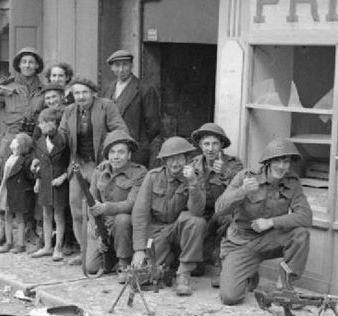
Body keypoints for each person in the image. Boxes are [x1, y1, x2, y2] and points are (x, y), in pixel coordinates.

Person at [214, 137, 312, 306]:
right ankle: (248, 274)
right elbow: (219, 208)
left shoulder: (293, 183)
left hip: (269, 239)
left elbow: (306, 217)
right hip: (241, 242)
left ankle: (285, 285)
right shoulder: (245, 176)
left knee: (300, 234)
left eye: (286, 161)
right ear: (268, 161)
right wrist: (242, 192)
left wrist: (271, 222)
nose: (282, 167)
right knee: (230, 297)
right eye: (278, 161)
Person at [0, 47, 45, 246]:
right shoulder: (7, 88)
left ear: (37, 66)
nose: (27, 65)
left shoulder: (44, 89)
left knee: (32, 183)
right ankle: (4, 230)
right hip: (11, 140)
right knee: (5, 182)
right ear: (18, 65)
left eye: (31, 62)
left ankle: (30, 229)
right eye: (24, 62)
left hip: (34, 140)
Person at [58, 77, 128, 263]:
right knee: (76, 209)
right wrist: (51, 136)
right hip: (78, 165)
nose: (80, 97)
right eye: (76, 93)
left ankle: (107, 253)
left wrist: (110, 158)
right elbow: (62, 136)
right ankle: (85, 252)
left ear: (93, 92)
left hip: (101, 164)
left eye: (84, 92)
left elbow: (120, 131)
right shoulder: (69, 111)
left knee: (100, 208)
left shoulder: (106, 106)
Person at [131, 136, 207, 296]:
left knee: (195, 221)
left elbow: (197, 210)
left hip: (180, 230)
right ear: (164, 160)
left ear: (187, 159)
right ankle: (168, 265)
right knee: (145, 275)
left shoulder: (195, 176)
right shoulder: (153, 177)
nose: (175, 163)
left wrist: (192, 183)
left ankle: (184, 273)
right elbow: (140, 213)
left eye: (179, 158)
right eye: (170, 159)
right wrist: (139, 249)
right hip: (157, 231)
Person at [84, 129, 148, 279]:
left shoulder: (139, 173)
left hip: (126, 227)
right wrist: (96, 230)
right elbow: (91, 203)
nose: (116, 157)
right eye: (112, 152)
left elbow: (131, 203)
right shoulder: (99, 170)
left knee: (122, 219)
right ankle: (111, 256)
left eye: (121, 152)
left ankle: (124, 262)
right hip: (104, 225)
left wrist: (105, 208)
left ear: (129, 155)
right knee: (92, 267)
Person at [190, 123, 243, 287]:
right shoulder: (194, 165)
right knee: (197, 269)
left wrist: (224, 174)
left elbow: (240, 194)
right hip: (203, 214)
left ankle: (224, 269)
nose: (210, 149)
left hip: (225, 213)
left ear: (221, 146)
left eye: (215, 144)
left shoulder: (234, 165)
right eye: (206, 144)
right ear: (200, 145)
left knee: (229, 220)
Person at [102, 50, 162, 167]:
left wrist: (139, 141)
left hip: (135, 150)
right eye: (117, 65)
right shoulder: (108, 89)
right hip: (112, 149)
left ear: (131, 66)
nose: (121, 69)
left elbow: (153, 124)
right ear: (112, 68)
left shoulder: (144, 89)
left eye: (125, 65)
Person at [31, 108, 70, 261]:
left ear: (54, 123)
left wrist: (63, 177)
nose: (41, 126)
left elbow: (73, 162)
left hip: (59, 183)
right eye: (40, 123)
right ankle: (47, 246)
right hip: (45, 182)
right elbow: (41, 163)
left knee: (59, 215)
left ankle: (58, 248)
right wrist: (37, 180)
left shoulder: (63, 140)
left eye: (44, 123)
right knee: (46, 215)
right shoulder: (40, 141)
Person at [0, 132, 36, 254]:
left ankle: (20, 243)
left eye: (15, 140)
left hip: (18, 192)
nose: (12, 142)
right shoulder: (9, 157)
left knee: (19, 218)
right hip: (7, 190)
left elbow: (30, 176)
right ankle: (8, 242)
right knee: (7, 216)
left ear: (20, 146)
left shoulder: (25, 160)